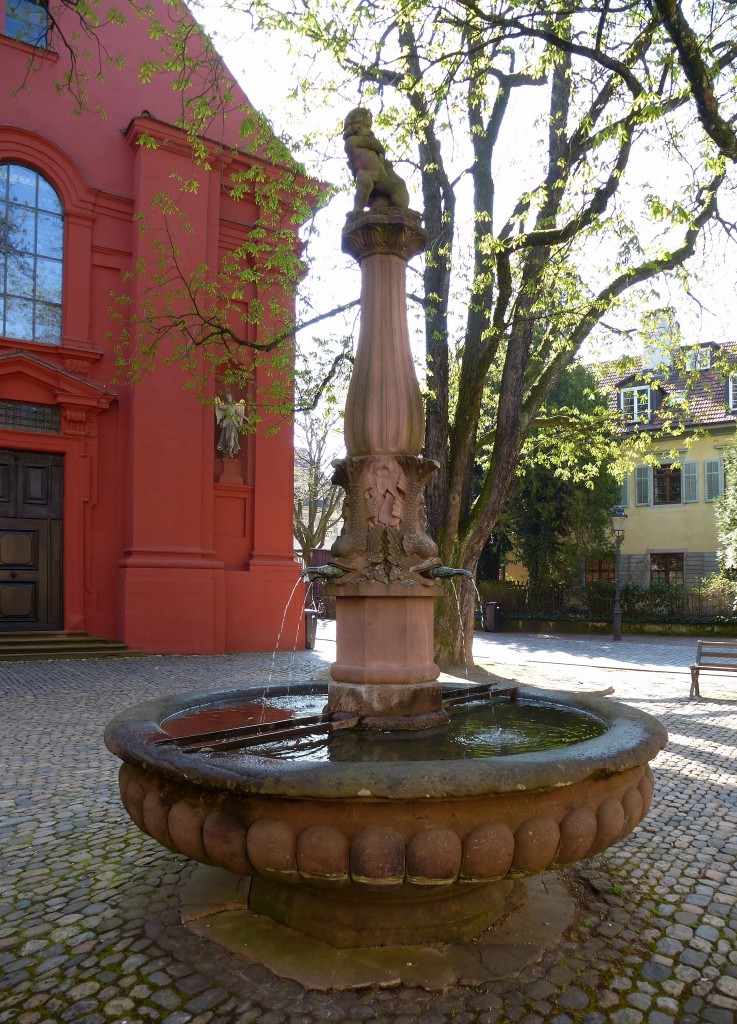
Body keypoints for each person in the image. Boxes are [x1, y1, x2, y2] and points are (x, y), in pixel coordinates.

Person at [343, 106, 410, 212]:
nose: (369, 130)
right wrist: (377, 145)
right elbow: (378, 146)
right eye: (366, 126)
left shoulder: (367, 143)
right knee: (365, 182)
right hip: (365, 173)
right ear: (356, 126)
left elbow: (380, 150)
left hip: (381, 175)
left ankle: (402, 210)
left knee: (399, 185)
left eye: (369, 127)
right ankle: (356, 211)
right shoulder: (351, 141)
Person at [215, 393, 246, 458]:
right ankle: (226, 449)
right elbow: (220, 407)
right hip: (227, 423)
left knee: (233, 436)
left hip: (233, 423)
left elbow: (239, 413)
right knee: (226, 436)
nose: (228, 398)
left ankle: (230, 451)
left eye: (229, 397)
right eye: (227, 397)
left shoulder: (235, 406)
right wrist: (218, 400)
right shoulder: (226, 406)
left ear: (232, 398)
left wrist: (246, 418)